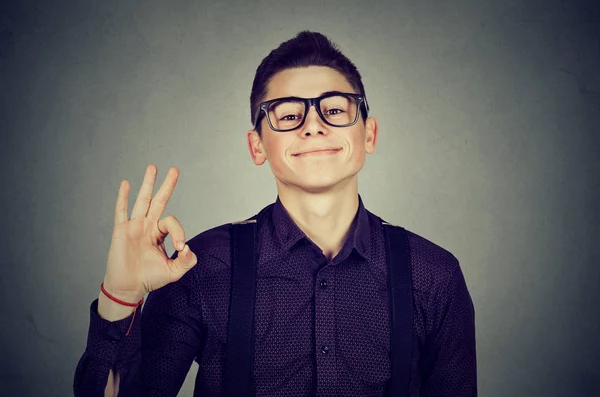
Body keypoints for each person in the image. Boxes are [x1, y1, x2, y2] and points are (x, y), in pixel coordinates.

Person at [74, 30, 477, 396]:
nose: (313, 126)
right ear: (257, 146)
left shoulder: (433, 274)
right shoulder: (200, 266)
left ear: (368, 133)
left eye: (334, 110)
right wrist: (121, 298)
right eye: (288, 114)